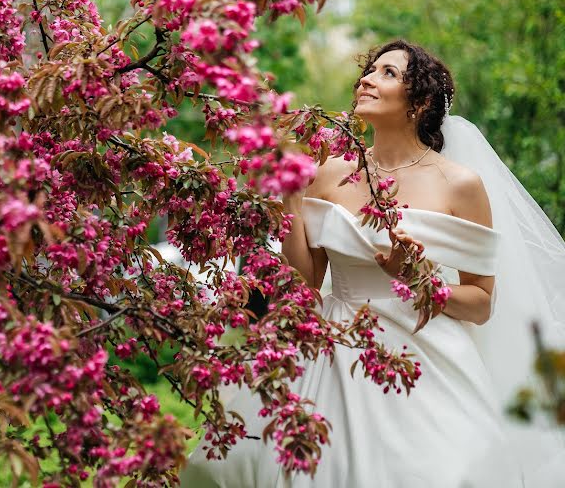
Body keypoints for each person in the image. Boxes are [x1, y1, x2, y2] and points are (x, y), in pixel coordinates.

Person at [180, 40, 565, 487]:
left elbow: (480, 301)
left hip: (424, 356)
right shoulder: (327, 173)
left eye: (387, 73)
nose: (365, 79)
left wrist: (414, 280)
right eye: (369, 70)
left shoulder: (459, 184)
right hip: (334, 347)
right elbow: (306, 283)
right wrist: (287, 199)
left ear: (419, 102)